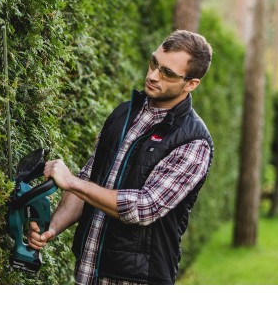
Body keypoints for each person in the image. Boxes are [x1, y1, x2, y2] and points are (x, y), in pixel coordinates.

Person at [28, 29, 214, 284]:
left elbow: (144, 207)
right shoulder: (123, 114)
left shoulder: (193, 142)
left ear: (191, 84)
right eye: (154, 63)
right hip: (88, 271)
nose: (152, 75)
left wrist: (70, 182)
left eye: (167, 73)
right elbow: (90, 180)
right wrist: (51, 228)